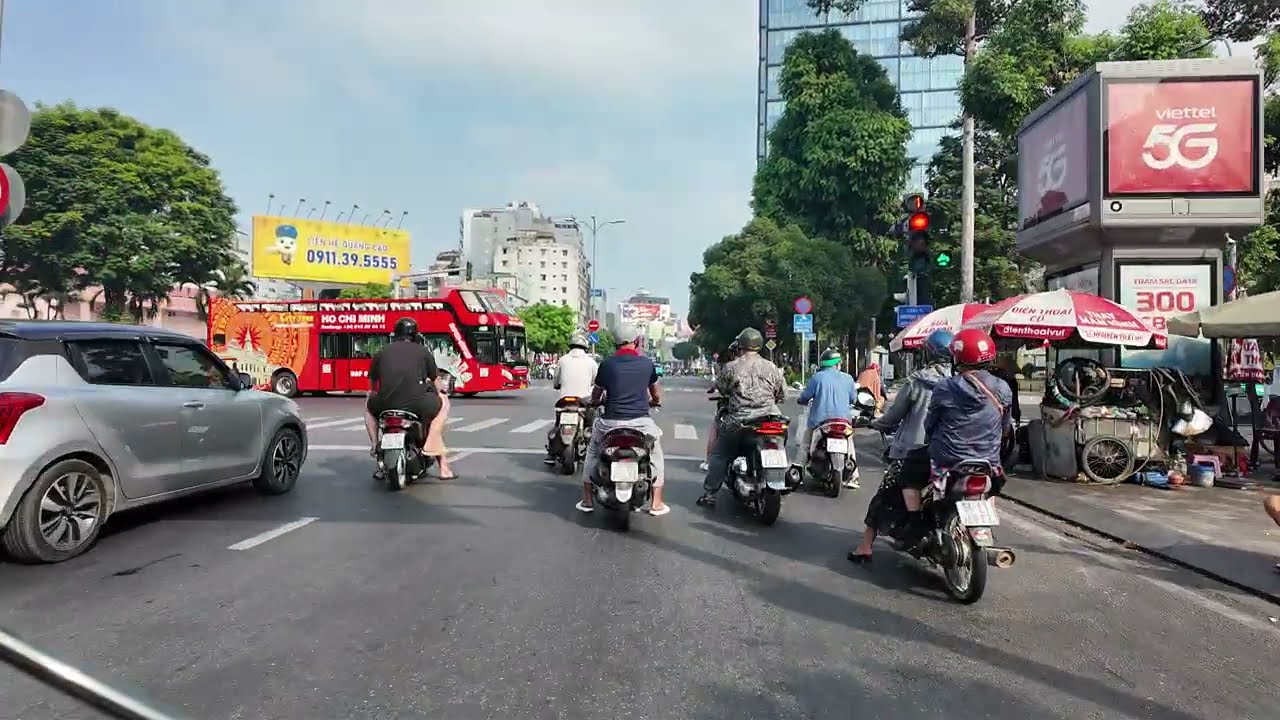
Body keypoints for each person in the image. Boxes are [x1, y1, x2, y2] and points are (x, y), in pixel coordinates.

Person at [849, 329, 953, 562]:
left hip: (912, 450)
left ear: (929, 354)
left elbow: (894, 416)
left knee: (883, 495)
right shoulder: (960, 381)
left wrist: (877, 423)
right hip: (950, 451)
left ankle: (866, 545)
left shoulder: (918, 381)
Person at [902, 328, 1012, 548]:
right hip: (987, 462)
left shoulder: (945, 387)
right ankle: (984, 517)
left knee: (910, 471)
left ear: (958, 357)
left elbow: (930, 424)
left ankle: (914, 524)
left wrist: (933, 437)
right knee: (996, 483)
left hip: (949, 459)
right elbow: (1006, 427)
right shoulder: (1003, 388)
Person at [579, 336, 669, 516]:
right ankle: (657, 503)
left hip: (610, 422)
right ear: (635, 342)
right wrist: (654, 402)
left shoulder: (607, 364)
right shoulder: (646, 364)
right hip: (641, 423)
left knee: (592, 451)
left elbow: (596, 395)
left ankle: (587, 500)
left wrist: (596, 402)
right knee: (655, 453)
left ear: (615, 343)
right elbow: (656, 394)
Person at [698, 327, 787, 507]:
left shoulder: (733, 367)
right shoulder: (773, 368)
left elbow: (723, 389)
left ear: (741, 345)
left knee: (720, 453)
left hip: (740, 420)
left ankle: (710, 494)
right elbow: (783, 394)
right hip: (771, 418)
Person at [365, 317, 452, 479]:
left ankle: (375, 445)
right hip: (418, 405)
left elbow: (372, 383)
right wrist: (441, 390)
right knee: (444, 402)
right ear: (415, 334)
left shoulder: (381, 352)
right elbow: (436, 381)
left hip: (385, 404)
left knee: (368, 406)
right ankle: (434, 449)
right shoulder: (423, 352)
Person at [794, 348, 862, 489]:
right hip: (843, 420)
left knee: (805, 444)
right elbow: (853, 399)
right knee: (849, 445)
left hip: (820, 420)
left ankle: (797, 473)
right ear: (838, 364)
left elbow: (805, 397)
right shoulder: (848, 378)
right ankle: (853, 477)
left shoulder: (817, 377)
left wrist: (801, 400)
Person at [544, 332, 599, 465]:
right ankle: (591, 448)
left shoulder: (562, 360)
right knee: (590, 424)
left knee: (558, 424)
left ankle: (551, 453)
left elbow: (556, 381)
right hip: (583, 400)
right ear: (585, 347)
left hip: (564, 401)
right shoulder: (591, 362)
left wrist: (558, 385)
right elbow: (596, 381)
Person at [700, 340, 739, 472]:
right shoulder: (768, 366)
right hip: (765, 412)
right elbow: (782, 393)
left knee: (716, 429)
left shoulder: (731, 367)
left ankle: (709, 462)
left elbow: (721, 386)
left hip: (736, 410)